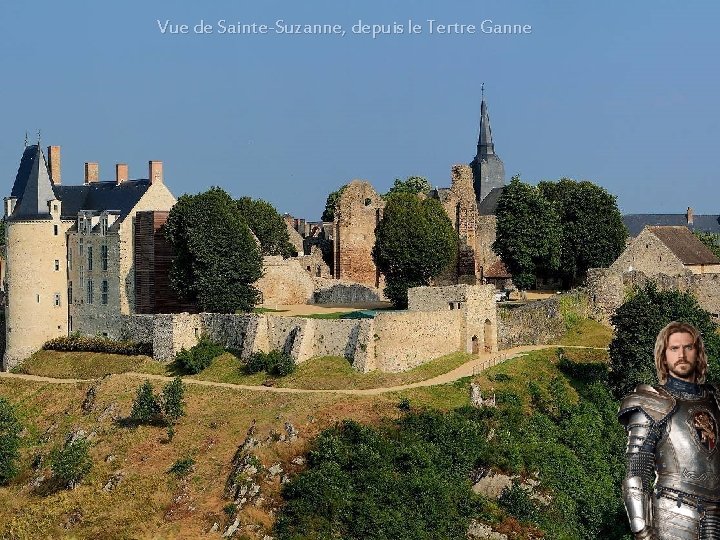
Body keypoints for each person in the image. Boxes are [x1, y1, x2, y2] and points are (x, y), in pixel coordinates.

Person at [618, 321, 720, 539]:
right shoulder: (652, 402)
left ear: (698, 353)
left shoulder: (716, 401)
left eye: (688, 347)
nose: (681, 354)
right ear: (663, 356)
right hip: (674, 513)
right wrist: (643, 530)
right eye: (674, 349)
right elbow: (636, 472)